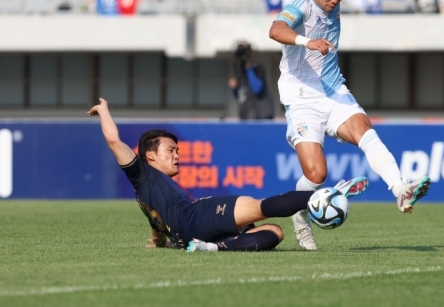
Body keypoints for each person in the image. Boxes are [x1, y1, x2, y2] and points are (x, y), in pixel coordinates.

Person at [268, 0, 431, 250]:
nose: (334, 1)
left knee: (365, 130)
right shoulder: (301, 4)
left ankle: (400, 188)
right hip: (302, 99)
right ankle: (301, 216)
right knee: (316, 174)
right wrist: (308, 41)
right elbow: (275, 30)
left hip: (333, 91)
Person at [88, 97, 370, 252]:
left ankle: (215, 248)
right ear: (150, 155)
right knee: (259, 206)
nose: (177, 154)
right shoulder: (142, 173)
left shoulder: (148, 190)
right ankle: (321, 195)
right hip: (195, 216)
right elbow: (114, 140)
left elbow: (155, 216)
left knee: (274, 232)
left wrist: (158, 239)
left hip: (189, 234)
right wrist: (104, 110)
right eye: (170, 149)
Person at [228, 42, 275, 120]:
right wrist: (234, 88)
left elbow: (257, 89)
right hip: (246, 115)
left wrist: (248, 68)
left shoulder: (257, 67)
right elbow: (239, 95)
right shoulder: (239, 71)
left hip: (262, 115)